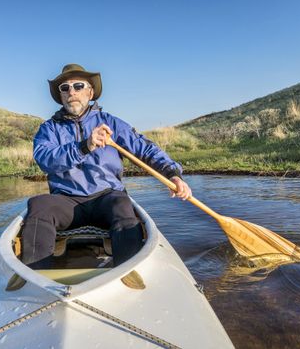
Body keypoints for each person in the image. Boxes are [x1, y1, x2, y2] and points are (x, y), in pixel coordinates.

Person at [21, 63, 192, 268]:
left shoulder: (111, 123)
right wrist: (85, 146)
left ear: (90, 92)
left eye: (78, 86)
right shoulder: (49, 129)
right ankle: (34, 277)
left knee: (123, 204)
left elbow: (144, 149)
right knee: (39, 205)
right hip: (66, 201)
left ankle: (129, 273)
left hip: (106, 197)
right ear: (61, 95)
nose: (71, 92)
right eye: (64, 88)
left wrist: (172, 173)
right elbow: (45, 159)